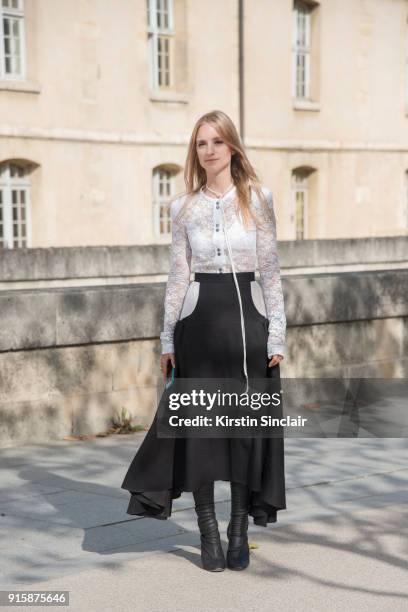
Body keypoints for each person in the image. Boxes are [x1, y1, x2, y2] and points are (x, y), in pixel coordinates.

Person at [121, 109, 287, 572]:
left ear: (232, 146)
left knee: (242, 435)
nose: (209, 150)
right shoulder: (182, 207)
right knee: (200, 435)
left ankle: (239, 530)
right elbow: (177, 276)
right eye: (201, 144)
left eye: (216, 142)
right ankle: (208, 532)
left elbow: (271, 271)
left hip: (247, 329)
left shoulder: (259, 198)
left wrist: (276, 333)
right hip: (198, 326)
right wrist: (166, 338)